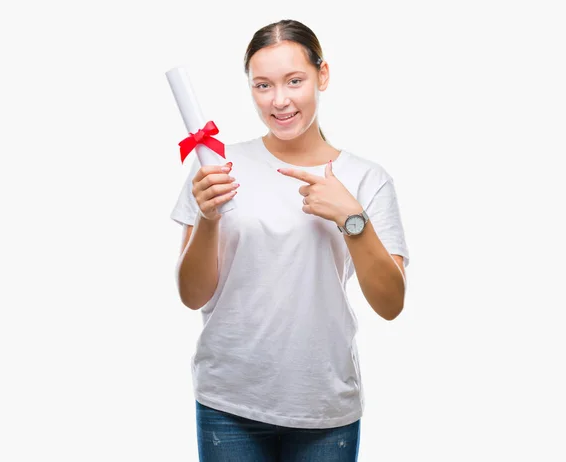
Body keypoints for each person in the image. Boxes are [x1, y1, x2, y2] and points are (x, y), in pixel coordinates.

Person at [170, 18, 410, 462]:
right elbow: (191, 294)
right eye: (262, 85)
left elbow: (391, 303)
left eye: (294, 81)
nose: (279, 101)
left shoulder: (367, 180)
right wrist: (207, 217)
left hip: (323, 406)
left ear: (322, 75)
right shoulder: (216, 169)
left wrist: (351, 218)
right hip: (228, 402)